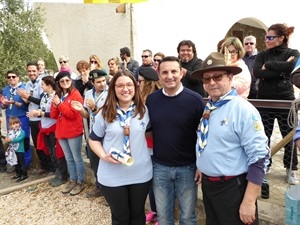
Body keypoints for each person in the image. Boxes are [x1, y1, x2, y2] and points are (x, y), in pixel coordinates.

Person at [191, 51, 270, 225]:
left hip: (233, 188)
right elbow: (212, 141)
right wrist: (202, 163)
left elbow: (259, 158)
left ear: (229, 77)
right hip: (209, 186)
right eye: (206, 79)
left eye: (217, 77)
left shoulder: (243, 110)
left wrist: (249, 202)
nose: (212, 83)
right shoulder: (210, 107)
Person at [146, 56, 205, 225]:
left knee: (187, 216)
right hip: (160, 167)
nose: (169, 76)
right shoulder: (152, 100)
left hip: (187, 167)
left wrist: (200, 164)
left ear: (181, 73)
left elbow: (204, 135)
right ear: (159, 75)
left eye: (173, 71)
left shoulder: (195, 100)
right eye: (165, 72)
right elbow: (148, 131)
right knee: (164, 217)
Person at [88, 71, 152, 224]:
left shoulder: (143, 110)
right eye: (120, 85)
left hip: (140, 173)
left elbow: (150, 135)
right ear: (113, 89)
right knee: (120, 217)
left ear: (135, 87)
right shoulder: (104, 113)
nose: (125, 89)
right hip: (112, 175)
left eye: (129, 84)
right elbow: (93, 139)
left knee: (137, 215)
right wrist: (103, 156)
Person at [253, 23, 300, 184]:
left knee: (289, 136)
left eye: (270, 37)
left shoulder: (293, 53)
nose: (266, 40)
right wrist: (282, 70)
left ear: (281, 38)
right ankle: (265, 165)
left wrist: (270, 67)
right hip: (264, 100)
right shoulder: (262, 55)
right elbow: (257, 72)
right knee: (262, 136)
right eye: (266, 37)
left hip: (285, 100)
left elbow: (292, 67)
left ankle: (291, 168)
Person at [71, 69, 109, 198]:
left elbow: (109, 115)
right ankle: (100, 188)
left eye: (104, 81)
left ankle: (111, 192)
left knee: (108, 164)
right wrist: (80, 109)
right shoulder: (88, 94)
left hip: (107, 135)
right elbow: (87, 115)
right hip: (94, 134)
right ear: (92, 82)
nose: (102, 84)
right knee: (94, 163)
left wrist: (94, 108)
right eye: (98, 82)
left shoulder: (111, 93)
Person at [26, 76, 68, 187]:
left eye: (43, 84)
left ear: (49, 85)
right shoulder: (43, 96)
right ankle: (56, 172)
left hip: (53, 128)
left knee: (57, 152)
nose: (41, 86)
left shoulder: (56, 96)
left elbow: (55, 114)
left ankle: (63, 174)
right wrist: (37, 112)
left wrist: (40, 113)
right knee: (50, 151)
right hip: (44, 127)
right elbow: (43, 109)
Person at [50, 71, 85, 195]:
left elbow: (72, 114)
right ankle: (73, 180)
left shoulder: (76, 95)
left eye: (67, 80)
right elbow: (54, 115)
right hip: (61, 131)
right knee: (68, 158)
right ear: (58, 83)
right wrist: (55, 104)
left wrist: (59, 104)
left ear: (71, 81)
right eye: (62, 81)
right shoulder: (58, 95)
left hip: (73, 130)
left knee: (77, 158)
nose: (65, 83)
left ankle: (80, 181)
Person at [17, 62, 53, 175]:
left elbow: (41, 101)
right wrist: (25, 100)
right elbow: (28, 102)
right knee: (38, 145)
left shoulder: (42, 83)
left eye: (34, 71)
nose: (31, 73)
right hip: (32, 119)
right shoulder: (27, 84)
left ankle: (52, 167)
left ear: (38, 71)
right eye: (29, 71)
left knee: (47, 145)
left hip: (41, 118)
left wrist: (28, 97)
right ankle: (44, 166)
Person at [137, 67, 161, 225]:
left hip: (154, 145)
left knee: (157, 183)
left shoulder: (154, 99)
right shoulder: (140, 97)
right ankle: (153, 210)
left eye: (140, 81)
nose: (137, 84)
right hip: (144, 146)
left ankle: (159, 212)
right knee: (149, 182)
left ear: (148, 82)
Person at [1, 70, 31, 167]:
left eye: (13, 77)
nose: (11, 79)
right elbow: (2, 105)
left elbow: (26, 105)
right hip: (10, 117)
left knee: (23, 139)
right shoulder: (5, 90)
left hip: (21, 117)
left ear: (18, 77)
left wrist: (14, 103)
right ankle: (15, 163)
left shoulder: (23, 88)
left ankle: (26, 162)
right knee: (12, 140)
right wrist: (4, 104)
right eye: (9, 77)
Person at [4, 117, 28, 182]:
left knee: (21, 162)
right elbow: (7, 138)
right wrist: (7, 140)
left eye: (17, 123)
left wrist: (11, 140)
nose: (16, 124)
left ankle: (24, 174)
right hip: (12, 150)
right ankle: (18, 173)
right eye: (13, 124)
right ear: (10, 126)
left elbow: (19, 139)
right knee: (15, 162)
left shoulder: (22, 132)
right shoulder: (10, 132)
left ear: (19, 123)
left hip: (20, 149)